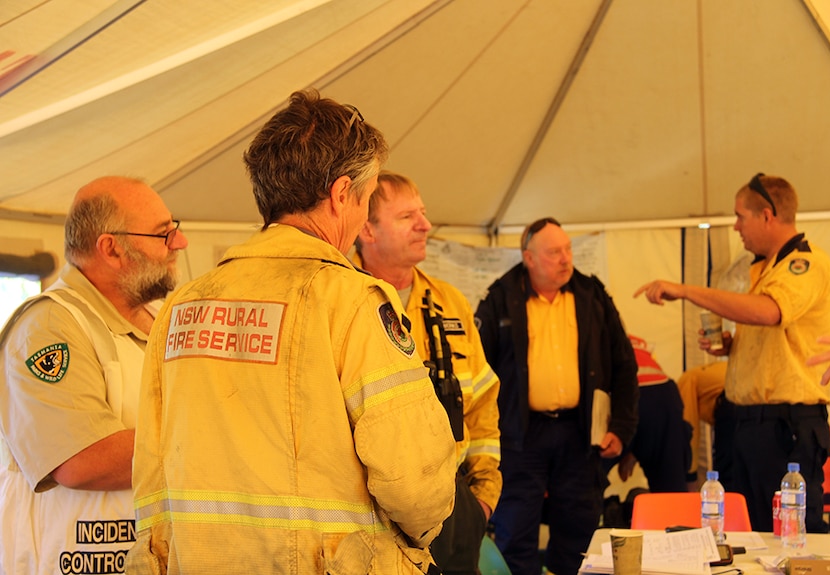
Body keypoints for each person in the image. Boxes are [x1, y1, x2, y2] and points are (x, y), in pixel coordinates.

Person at [126, 90, 457, 575]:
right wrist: (425, 533)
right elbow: (414, 480)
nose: (363, 216)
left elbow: (150, 471)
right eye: (364, 199)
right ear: (342, 195)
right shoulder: (351, 300)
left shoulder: (179, 306)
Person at [0, 176, 188, 575]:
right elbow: (80, 459)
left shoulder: (158, 322)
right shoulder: (50, 327)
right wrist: (209, 440)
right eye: (163, 234)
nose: (179, 244)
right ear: (111, 249)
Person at [634, 172, 830, 533]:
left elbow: (768, 311)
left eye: (740, 216)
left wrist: (685, 290)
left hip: (783, 429)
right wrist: (736, 348)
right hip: (747, 425)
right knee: (745, 538)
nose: (735, 226)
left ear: (767, 215)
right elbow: (777, 334)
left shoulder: (804, 263)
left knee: (787, 540)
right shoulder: (767, 268)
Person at [354, 171, 502, 575]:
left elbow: (484, 403)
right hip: (368, 516)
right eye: (406, 217)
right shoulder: (342, 302)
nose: (425, 225)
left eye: (423, 213)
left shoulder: (449, 302)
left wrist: (482, 497)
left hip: (455, 508)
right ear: (367, 228)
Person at [475, 217, 639, 575]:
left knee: (578, 537)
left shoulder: (591, 294)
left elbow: (625, 365)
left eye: (568, 249)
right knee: (514, 534)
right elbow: (477, 372)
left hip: (579, 433)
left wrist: (622, 428)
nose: (566, 259)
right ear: (529, 258)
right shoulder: (500, 298)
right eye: (554, 252)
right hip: (521, 435)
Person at [617, 335, 691, 493]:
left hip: (621, 394)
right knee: (671, 492)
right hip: (663, 394)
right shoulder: (633, 339)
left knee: (582, 484)